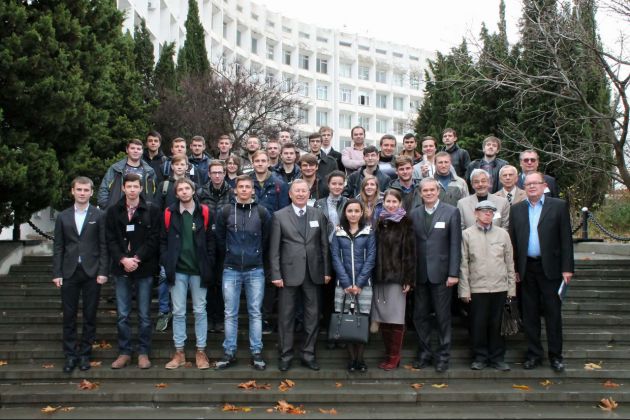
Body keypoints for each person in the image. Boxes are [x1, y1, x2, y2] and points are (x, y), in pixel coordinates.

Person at [509, 172, 574, 373]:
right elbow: (513, 242)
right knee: (529, 315)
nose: (531, 187)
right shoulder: (517, 209)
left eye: (535, 183)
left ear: (544, 185)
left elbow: (566, 239)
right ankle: (534, 354)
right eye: (527, 184)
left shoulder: (558, 206)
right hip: (527, 269)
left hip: (551, 269)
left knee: (553, 314)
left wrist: (567, 268)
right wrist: (515, 269)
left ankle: (556, 356)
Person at [269, 179, 332, 372]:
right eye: (297, 191)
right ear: (290, 194)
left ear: (309, 193)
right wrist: (276, 274)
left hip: (313, 273)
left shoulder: (318, 214)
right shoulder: (279, 216)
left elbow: (324, 245)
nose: (300, 194)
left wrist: (326, 271)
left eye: (304, 191)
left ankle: (308, 354)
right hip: (287, 274)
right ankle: (285, 355)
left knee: (312, 316)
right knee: (286, 317)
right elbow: (274, 249)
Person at [214, 175, 272, 371]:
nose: (245, 190)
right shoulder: (225, 211)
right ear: (235, 189)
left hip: (255, 269)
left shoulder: (262, 212)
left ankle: (256, 352)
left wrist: (256, 255)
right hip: (231, 269)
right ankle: (229, 352)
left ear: (253, 190)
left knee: (255, 312)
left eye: (248, 187)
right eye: (241, 187)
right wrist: (230, 254)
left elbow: (266, 239)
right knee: (230, 313)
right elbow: (219, 238)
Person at [52, 177, 109, 373]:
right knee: (69, 316)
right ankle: (70, 355)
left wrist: (103, 271)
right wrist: (57, 272)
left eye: (86, 190)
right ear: (72, 191)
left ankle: (85, 354)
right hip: (69, 272)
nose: (82, 193)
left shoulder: (99, 215)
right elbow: (58, 246)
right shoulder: (63, 216)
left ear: (92, 192)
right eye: (79, 189)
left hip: (92, 272)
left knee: (90, 315)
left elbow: (103, 245)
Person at [106, 173, 160, 369]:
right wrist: (123, 259)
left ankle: (143, 352)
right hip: (121, 268)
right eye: (128, 186)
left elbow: (154, 238)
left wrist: (137, 258)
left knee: (144, 314)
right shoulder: (113, 211)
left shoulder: (152, 210)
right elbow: (110, 239)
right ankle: (125, 352)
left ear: (141, 188)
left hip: (143, 267)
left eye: (135, 186)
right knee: (123, 314)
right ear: (123, 188)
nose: (132, 190)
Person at [161, 178, 215, 370]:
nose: (184, 192)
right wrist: (166, 261)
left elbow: (211, 240)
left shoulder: (205, 212)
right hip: (178, 270)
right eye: (180, 189)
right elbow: (163, 241)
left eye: (187, 188)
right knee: (178, 312)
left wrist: (209, 262)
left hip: (198, 270)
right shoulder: (169, 213)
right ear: (176, 194)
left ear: (193, 191)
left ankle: (201, 351)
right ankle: (179, 352)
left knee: (200, 311)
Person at [410, 178, 462, 372]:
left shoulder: (451, 212)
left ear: (438, 191)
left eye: (432, 190)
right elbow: (411, 246)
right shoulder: (414, 214)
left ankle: (443, 356)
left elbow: (455, 244)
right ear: (420, 193)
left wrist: (453, 273)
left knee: (442, 317)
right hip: (420, 275)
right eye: (425, 190)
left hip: (442, 274)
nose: (429, 193)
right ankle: (424, 353)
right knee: (420, 316)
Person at [459, 200, 516, 371]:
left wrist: (511, 289)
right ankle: (480, 357)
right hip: (477, 288)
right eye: (484, 212)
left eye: (490, 212)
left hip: (500, 288)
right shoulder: (467, 234)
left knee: (497, 325)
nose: (487, 214)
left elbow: (509, 262)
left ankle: (497, 358)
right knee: (478, 325)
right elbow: (463, 264)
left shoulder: (503, 234)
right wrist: (464, 290)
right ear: (476, 214)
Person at [330, 199, 376, 372]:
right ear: (345, 213)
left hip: (364, 286)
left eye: (357, 211)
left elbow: (371, 258)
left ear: (362, 213)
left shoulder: (369, 232)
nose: (353, 214)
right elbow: (335, 258)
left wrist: (360, 283)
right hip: (343, 286)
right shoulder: (338, 233)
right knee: (347, 320)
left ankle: (360, 359)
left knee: (361, 320)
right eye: (350, 211)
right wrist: (347, 283)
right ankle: (351, 359)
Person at [372, 189, 415, 371]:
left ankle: (394, 357)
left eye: (394, 202)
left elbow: (410, 252)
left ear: (400, 203)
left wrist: (408, 279)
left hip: (397, 278)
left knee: (395, 319)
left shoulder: (406, 222)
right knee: (383, 318)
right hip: (379, 278)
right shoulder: (379, 222)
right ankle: (388, 354)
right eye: (388, 201)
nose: (390, 205)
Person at [315, 170, 348, 349]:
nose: (337, 186)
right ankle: (330, 333)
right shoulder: (319, 204)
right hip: (324, 253)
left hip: (343, 253)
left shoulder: (349, 202)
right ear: (328, 185)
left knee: (342, 296)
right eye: (334, 183)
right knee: (328, 297)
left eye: (340, 184)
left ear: (344, 185)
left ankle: (341, 333)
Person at [198, 160, 233, 334]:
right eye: (214, 173)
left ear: (224, 173)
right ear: (209, 174)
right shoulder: (200, 193)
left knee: (221, 282)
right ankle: (209, 318)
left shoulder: (232, 192)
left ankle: (219, 318)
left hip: (226, 241)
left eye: (220, 172)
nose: (217, 176)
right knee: (208, 280)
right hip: (206, 241)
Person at [98, 139, 157, 209]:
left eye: (138, 149)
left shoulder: (150, 172)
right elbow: (104, 189)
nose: (135, 151)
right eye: (132, 148)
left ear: (142, 151)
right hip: (118, 211)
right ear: (127, 150)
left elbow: (155, 193)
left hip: (141, 211)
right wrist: (108, 208)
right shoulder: (116, 169)